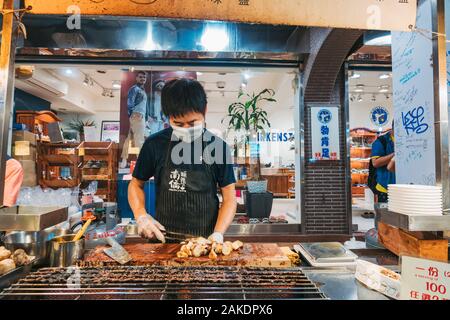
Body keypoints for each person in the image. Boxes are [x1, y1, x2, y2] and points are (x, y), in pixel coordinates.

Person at [128, 78, 237, 244]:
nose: (186, 129)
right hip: (163, 242)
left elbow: (229, 198)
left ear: (205, 110)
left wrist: (218, 234)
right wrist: (141, 215)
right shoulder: (154, 144)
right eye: (178, 123)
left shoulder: (218, 147)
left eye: (192, 123)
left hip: (205, 242)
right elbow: (136, 184)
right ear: (168, 117)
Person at [120, 71, 149, 169]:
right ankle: (141, 162)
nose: (142, 79)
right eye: (140, 77)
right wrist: (132, 115)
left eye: (144, 77)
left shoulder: (142, 90)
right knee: (139, 139)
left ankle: (124, 159)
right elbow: (130, 102)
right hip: (137, 115)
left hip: (140, 116)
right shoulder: (134, 89)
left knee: (130, 139)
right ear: (136, 78)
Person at [371, 122, 396, 203]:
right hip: (385, 189)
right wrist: (395, 154)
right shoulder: (381, 141)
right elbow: (375, 163)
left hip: (404, 188)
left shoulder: (408, 139)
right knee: (387, 215)